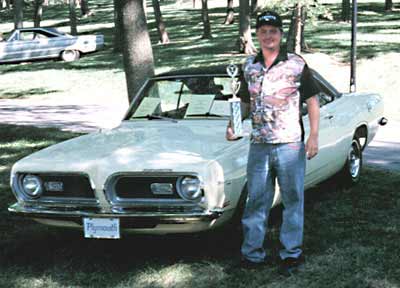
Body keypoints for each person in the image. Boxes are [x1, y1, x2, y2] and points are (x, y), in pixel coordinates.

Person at [226, 11, 320, 276]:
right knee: (256, 199)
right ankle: (252, 253)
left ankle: (291, 253)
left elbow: (312, 100)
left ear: (280, 35)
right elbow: (243, 101)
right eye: (264, 31)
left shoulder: (296, 64)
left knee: (292, 199)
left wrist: (312, 136)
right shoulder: (249, 66)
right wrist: (233, 124)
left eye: (273, 31)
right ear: (257, 34)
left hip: (290, 144)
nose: (269, 35)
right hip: (259, 145)